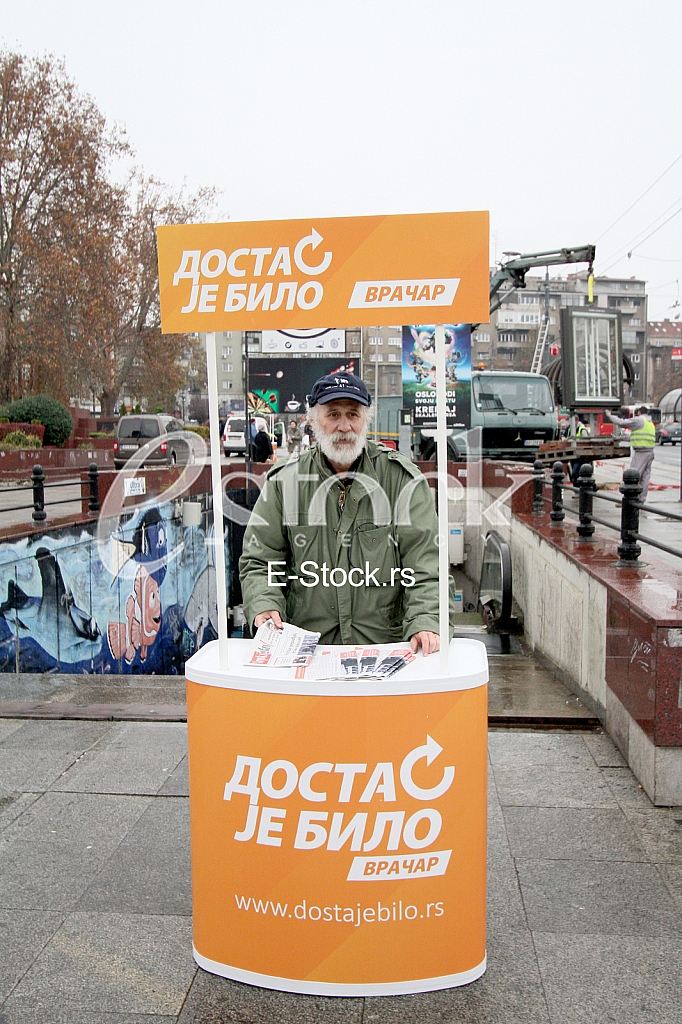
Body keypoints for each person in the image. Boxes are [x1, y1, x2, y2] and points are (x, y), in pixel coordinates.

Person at [239, 371, 449, 654]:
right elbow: (261, 560)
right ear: (313, 421)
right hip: (306, 652)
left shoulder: (402, 481)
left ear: (366, 420)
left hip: (385, 652)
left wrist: (426, 620)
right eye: (333, 414)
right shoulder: (284, 481)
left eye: (353, 414)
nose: (344, 426)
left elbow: (427, 565)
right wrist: (264, 604)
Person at [604, 405, 656, 501]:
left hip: (641, 452)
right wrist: (620, 438)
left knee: (632, 476)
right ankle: (641, 499)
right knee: (645, 478)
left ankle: (630, 499)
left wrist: (610, 416)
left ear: (639, 413)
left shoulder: (639, 420)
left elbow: (621, 423)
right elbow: (635, 436)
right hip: (650, 452)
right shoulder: (650, 423)